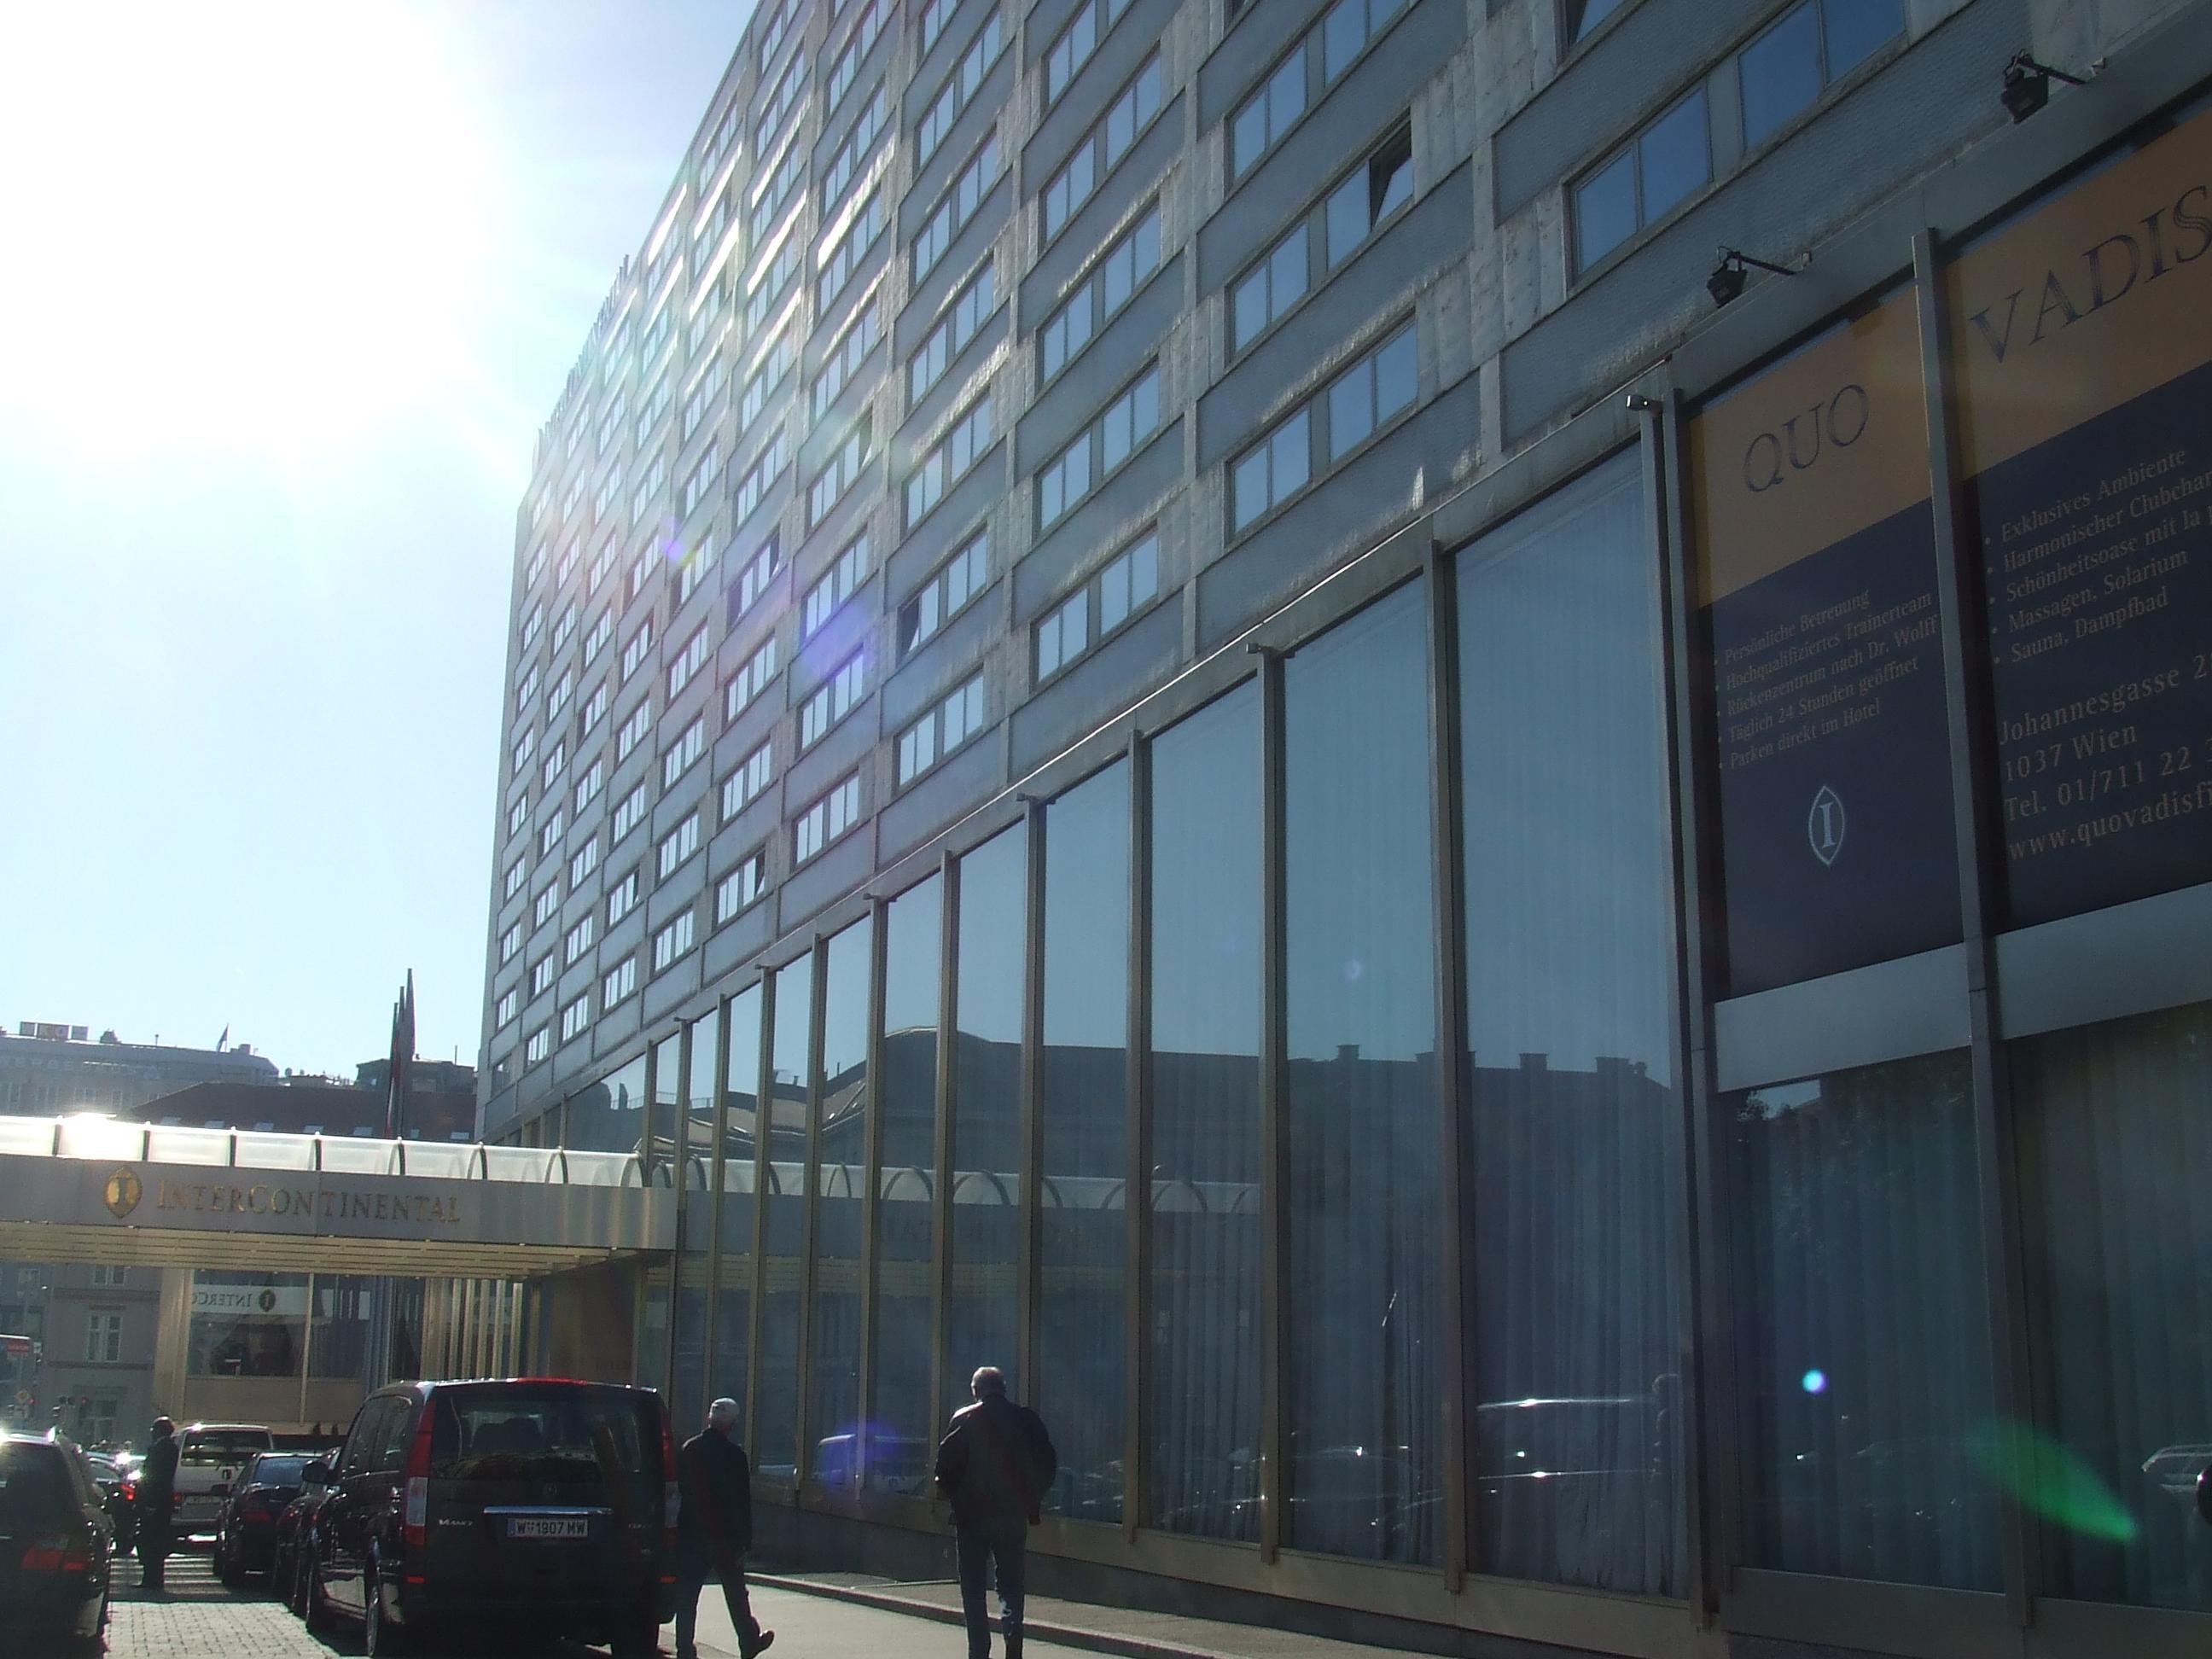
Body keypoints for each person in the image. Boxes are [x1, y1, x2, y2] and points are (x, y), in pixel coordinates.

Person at [935, 1367, 1057, 1659]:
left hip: (971, 1519)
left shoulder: (964, 1419)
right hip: (1012, 1517)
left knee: (973, 1588)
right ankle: (1013, 1644)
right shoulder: (1026, 1420)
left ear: (976, 1391)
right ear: (1003, 1388)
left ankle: (979, 1650)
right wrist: (1031, 1500)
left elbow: (944, 1470)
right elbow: (1047, 1464)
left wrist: (957, 1499)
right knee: (1011, 1586)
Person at [674, 1398, 772, 1659]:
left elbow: (682, 1489)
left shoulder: (689, 1449)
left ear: (709, 1419)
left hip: (692, 1535)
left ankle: (684, 1648)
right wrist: (744, 1542)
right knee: (736, 1595)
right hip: (725, 1538)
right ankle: (749, 1642)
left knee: (688, 1596)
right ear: (732, 1424)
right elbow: (741, 1502)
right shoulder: (735, 1456)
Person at [136, 1417, 179, 1591]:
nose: (151, 1433)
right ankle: (150, 1578)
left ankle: (152, 1579)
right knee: (152, 1540)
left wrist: (150, 1502)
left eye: (154, 1430)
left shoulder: (163, 1448)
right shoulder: (166, 1447)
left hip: (156, 1502)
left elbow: (158, 1477)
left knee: (152, 1540)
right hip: (159, 1501)